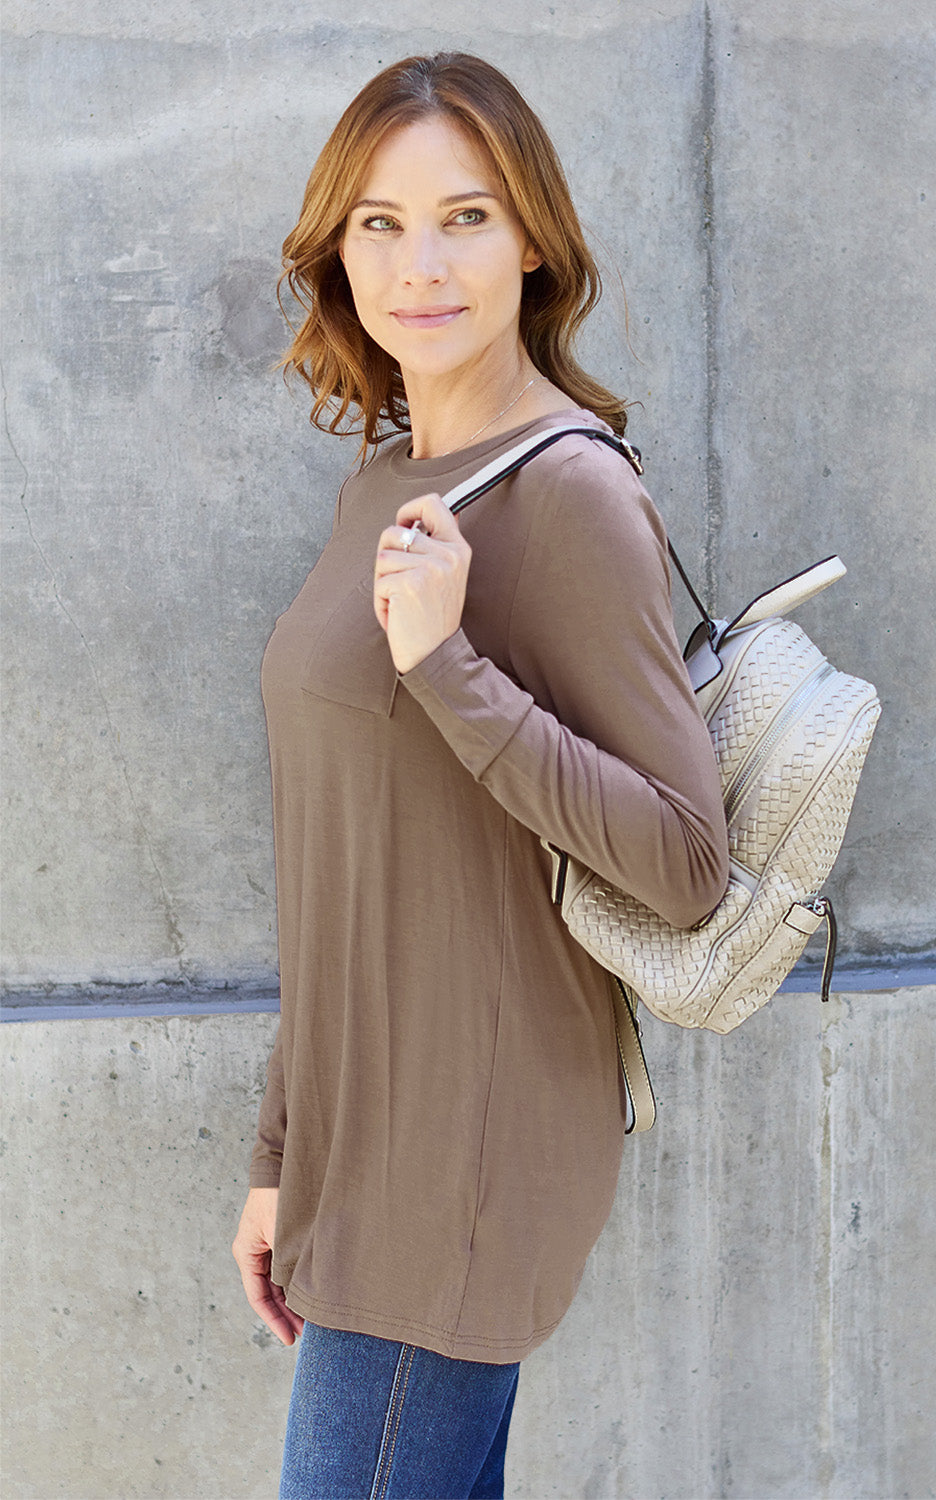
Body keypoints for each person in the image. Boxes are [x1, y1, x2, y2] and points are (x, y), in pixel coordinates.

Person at [232, 51, 728, 1500]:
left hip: (463, 1161)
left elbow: (688, 865)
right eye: (378, 224)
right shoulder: (384, 483)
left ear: (533, 243)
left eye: (465, 217)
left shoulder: (570, 491)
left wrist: (449, 671)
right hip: (357, 1145)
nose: (419, 263)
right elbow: (346, 868)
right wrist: (279, 1152)